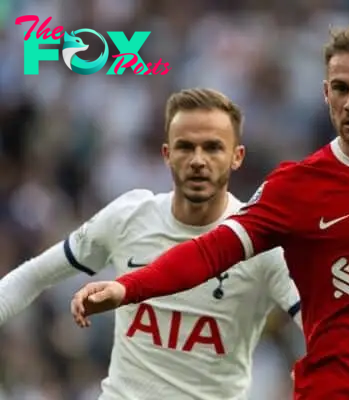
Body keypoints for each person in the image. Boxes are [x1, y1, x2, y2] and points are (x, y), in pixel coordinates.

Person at [72, 24, 349, 399]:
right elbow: (209, 252)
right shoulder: (296, 186)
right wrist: (128, 289)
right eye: (341, 89)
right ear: (325, 93)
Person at [0, 88, 302, 400]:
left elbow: (329, 332)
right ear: (167, 153)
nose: (198, 161)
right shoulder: (130, 217)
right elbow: (32, 276)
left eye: (213, 148)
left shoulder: (263, 246)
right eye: (185, 147)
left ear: (236, 156)